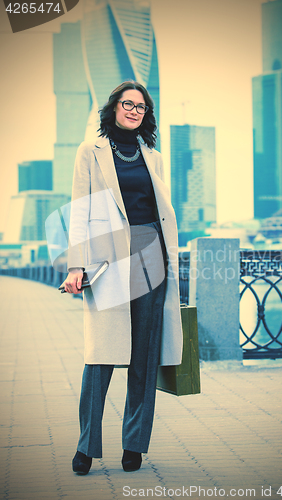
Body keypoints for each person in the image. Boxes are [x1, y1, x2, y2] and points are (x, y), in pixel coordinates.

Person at [63, 81, 183, 475]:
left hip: (152, 255)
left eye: (142, 107)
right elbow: (80, 210)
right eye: (127, 103)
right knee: (101, 355)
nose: (134, 110)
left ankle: (134, 443)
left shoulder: (154, 156)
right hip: (108, 260)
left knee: (144, 358)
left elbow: (161, 210)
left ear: (147, 115)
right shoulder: (90, 152)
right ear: (113, 107)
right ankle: (86, 446)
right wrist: (75, 265)